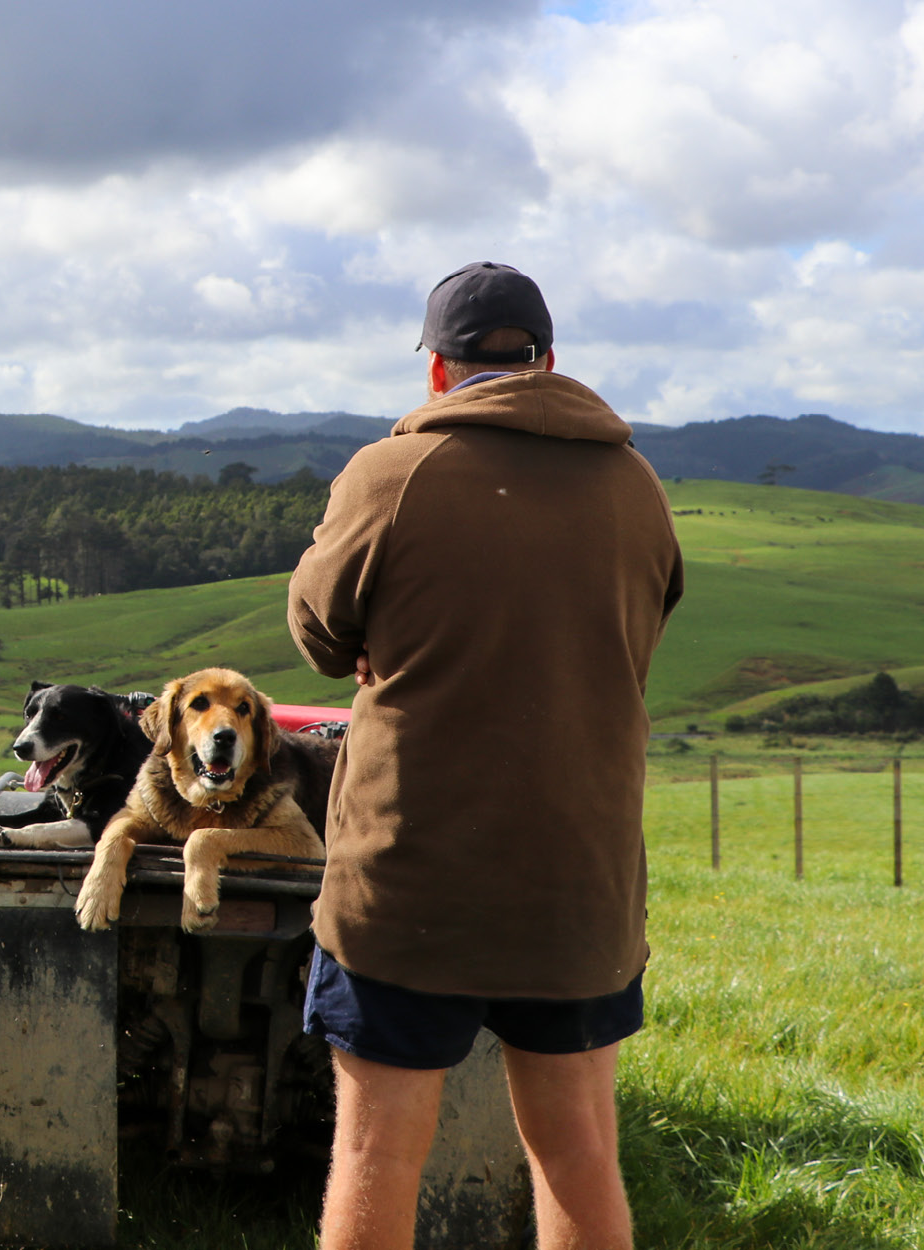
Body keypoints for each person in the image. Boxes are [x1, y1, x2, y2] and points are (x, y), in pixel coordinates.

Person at [286, 262, 684, 1250]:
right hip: (578, 877)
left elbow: (319, 635)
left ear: (436, 372)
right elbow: (645, 622)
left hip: (411, 873)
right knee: (578, 1145)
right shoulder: (635, 484)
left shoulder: (389, 473)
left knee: (377, 1150)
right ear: (547, 361)